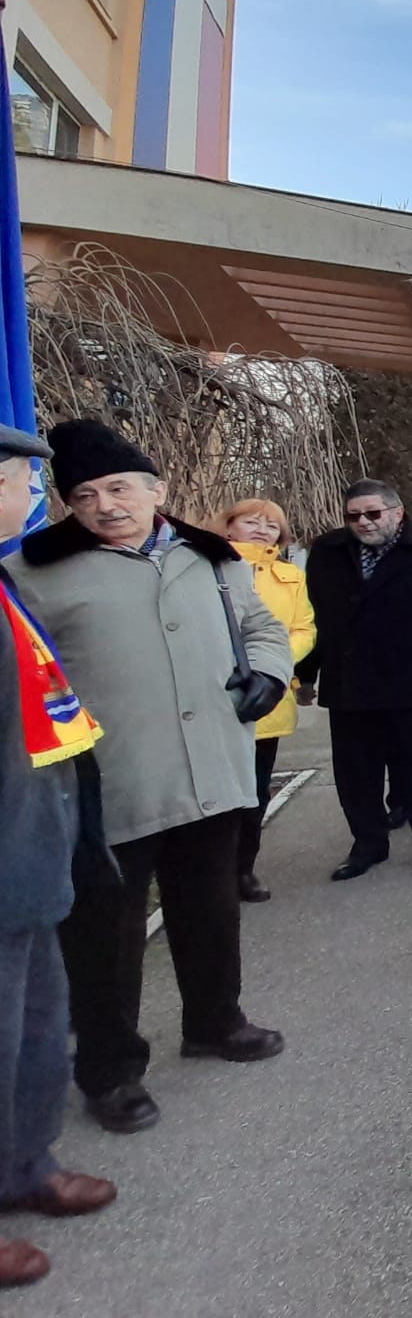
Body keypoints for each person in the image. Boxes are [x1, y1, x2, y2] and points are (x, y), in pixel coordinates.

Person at [10, 420, 292, 1134]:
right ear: (67, 505)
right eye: (84, 494)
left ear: (157, 490)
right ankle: (109, 1073)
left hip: (211, 771)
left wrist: (269, 673)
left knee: (210, 906)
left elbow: (262, 627)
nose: (105, 505)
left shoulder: (212, 555)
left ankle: (214, 1022)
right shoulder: (30, 575)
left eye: (118, 487)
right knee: (105, 936)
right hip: (107, 782)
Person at [0, 424, 115, 1288]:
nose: (32, 493)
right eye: (19, 477)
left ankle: (25, 1169)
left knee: (38, 1031)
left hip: (31, 852)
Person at [304, 481, 412, 880]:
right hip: (349, 681)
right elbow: (317, 618)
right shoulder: (328, 551)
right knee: (357, 774)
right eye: (353, 515)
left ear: (397, 512)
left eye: (373, 514)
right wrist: (305, 674)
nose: (363, 522)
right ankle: (368, 844)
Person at [212, 498, 316, 903]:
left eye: (271, 526)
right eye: (251, 522)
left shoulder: (289, 575)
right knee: (218, 795)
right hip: (216, 695)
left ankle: (243, 870)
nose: (261, 530)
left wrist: (273, 664)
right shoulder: (208, 567)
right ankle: (211, 873)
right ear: (228, 527)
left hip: (266, 695)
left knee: (255, 791)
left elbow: (302, 628)